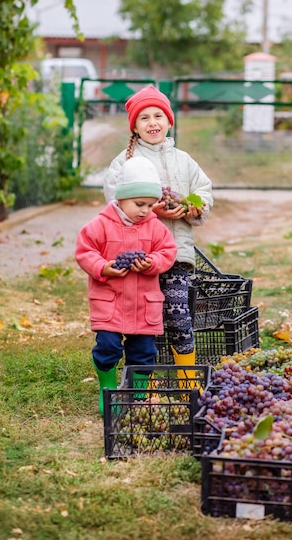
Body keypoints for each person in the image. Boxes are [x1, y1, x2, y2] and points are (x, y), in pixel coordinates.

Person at [103, 85, 213, 386]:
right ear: (135, 127)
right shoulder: (124, 162)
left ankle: (187, 379)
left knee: (178, 317)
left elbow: (203, 189)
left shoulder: (184, 160)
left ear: (169, 120)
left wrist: (193, 207)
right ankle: (140, 377)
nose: (153, 123)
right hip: (138, 258)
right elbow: (114, 200)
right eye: (144, 118)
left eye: (158, 116)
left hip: (175, 255)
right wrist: (153, 211)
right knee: (141, 321)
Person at [76, 156, 177, 416]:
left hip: (144, 303)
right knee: (107, 346)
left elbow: (168, 252)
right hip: (110, 301)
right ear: (120, 199)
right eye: (139, 204)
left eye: (151, 205)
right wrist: (102, 267)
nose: (145, 210)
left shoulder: (155, 227)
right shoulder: (99, 225)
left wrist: (152, 262)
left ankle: (138, 393)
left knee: (144, 351)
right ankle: (107, 388)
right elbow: (85, 251)